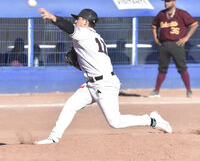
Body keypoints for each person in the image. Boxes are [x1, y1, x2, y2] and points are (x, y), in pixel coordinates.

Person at [34, 8, 172, 145]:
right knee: (70, 105)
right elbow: (90, 64)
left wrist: (54, 18)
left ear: (85, 22)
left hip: (105, 84)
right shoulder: (92, 36)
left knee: (115, 122)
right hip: (92, 84)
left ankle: (152, 120)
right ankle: (54, 138)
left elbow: (68, 27)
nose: (76, 21)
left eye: (78, 18)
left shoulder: (84, 33)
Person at [149, 0, 199, 98]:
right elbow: (154, 25)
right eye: (165, 1)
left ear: (174, 2)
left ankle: (189, 91)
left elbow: (194, 24)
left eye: (168, 1)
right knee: (162, 68)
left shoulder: (181, 13)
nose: (166, 3)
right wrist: (155, 37)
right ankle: (156, 91)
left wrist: (186, 38)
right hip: (164, 44)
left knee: (182, 67)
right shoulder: (161, 14)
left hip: (177, 43)